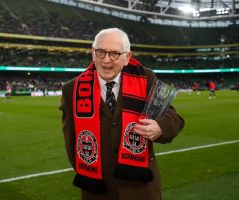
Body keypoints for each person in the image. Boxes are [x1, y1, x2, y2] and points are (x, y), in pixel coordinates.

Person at [59, 28, 185, 200]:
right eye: (101, 52)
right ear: (93, 53)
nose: (106, 60)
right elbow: (70, 142)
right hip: (97, 191)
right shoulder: (71, 89)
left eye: (115, 54)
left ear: (127, 57)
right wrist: (89, 171)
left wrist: (160, 127)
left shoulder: (146, 78)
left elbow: (174, 118)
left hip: (141, 190)